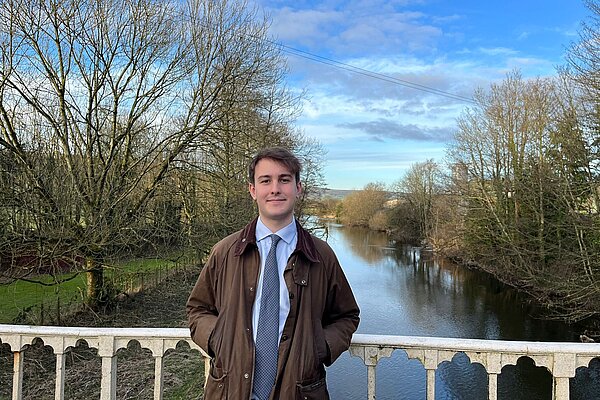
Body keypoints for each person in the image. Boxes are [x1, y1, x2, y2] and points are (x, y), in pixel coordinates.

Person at [186, 147, 360, 400]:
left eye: (284, 180)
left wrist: (317, 347)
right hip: (229, 390)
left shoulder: (321, 256)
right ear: (253, 190)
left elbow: (347, 316)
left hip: (299, 391)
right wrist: (218, 339)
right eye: (265, 180)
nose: (275, 188)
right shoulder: (225, 252)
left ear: (298, 188)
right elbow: (197, 309)